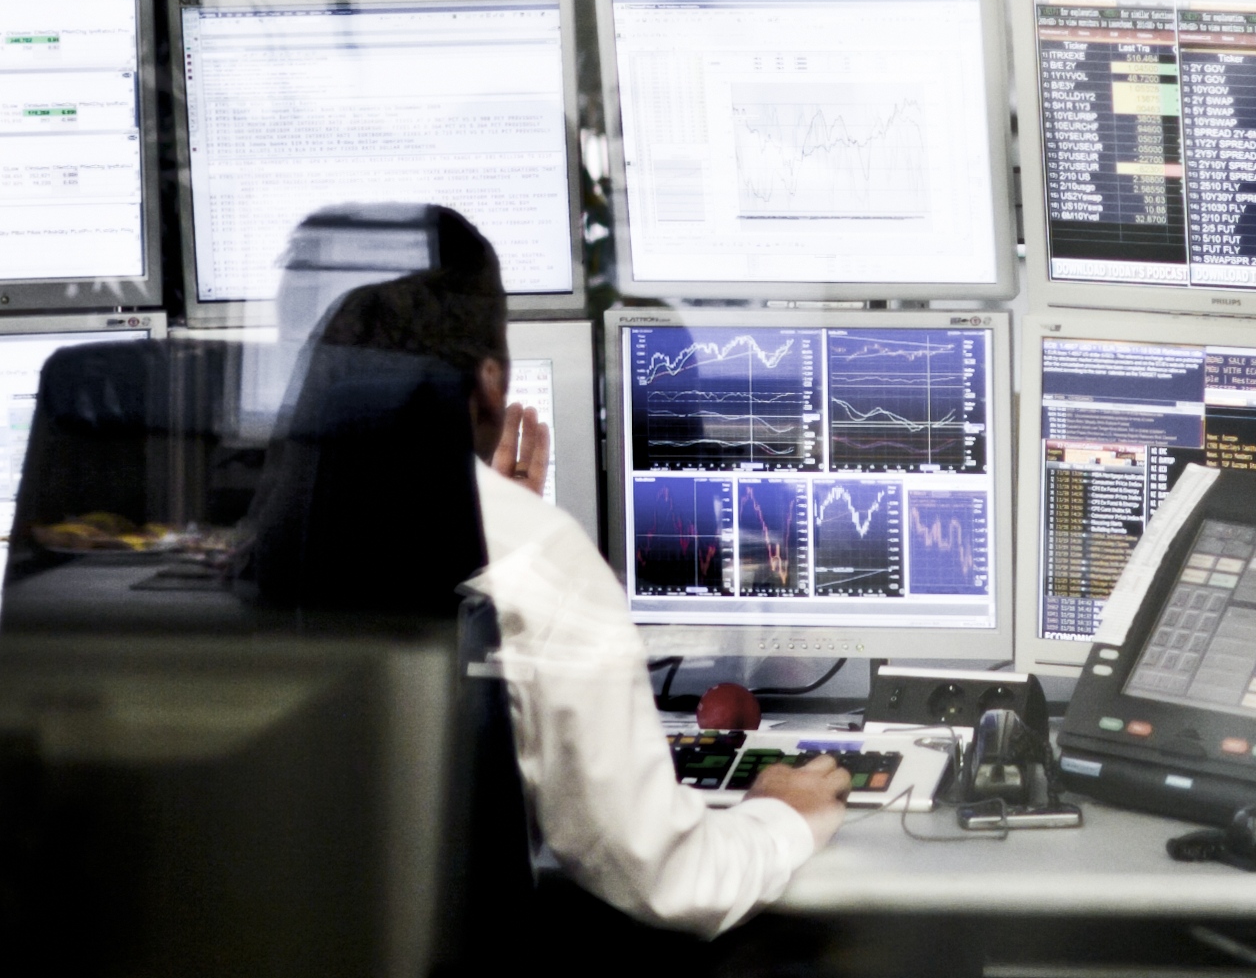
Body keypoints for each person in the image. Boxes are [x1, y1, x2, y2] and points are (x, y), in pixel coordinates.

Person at [291, 208, 849, 933]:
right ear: (491, 384)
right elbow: (672, 878)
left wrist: (497, 520)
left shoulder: (237, 528)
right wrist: (783, 815)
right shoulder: (533, 558)